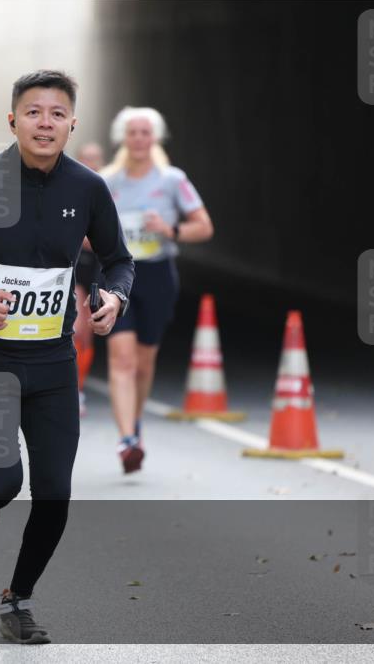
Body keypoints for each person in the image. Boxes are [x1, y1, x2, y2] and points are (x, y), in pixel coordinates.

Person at [0, 70, 134, 644]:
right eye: (33, 112)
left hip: (53, 360)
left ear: (72, 123)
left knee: (55, 494)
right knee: (2, 479)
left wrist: (115, 295)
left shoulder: (88, 188)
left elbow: (118, 259)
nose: (46, 122)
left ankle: (19, 601)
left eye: (57, 113)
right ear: (13, 120)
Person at [100, 106, 214, 473]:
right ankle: (127, 439)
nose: (138, 139)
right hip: (117, 276)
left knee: (144, 362)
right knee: (122, 358)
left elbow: (204, 226)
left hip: (157, 275)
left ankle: (135, 425)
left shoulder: (171, 180)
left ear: (155, 138)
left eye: (145, 133)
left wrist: (169, 230)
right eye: (132, 132)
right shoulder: (106, 181)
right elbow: (84, 234)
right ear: (122, 138)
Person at [73, 141, 105, 416]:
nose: (90, 164)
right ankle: (74, 391)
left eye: (95, 159)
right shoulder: (69, 190)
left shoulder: (107, 192)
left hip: (98, 270)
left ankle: (79, 387)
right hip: (75, 271)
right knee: (77, 329)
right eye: (86, 158)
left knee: (89, 334)